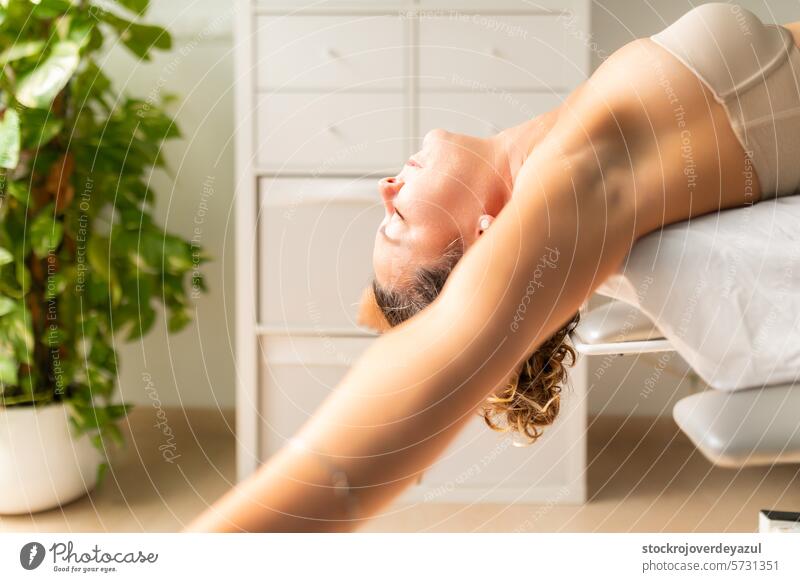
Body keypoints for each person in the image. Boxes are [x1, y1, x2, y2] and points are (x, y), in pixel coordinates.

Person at [188, 4, 800, 532]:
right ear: (487, 245)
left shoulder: (555, 147)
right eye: (398, 223)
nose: (385, 188)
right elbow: (436, 355)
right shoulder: (571, 183)